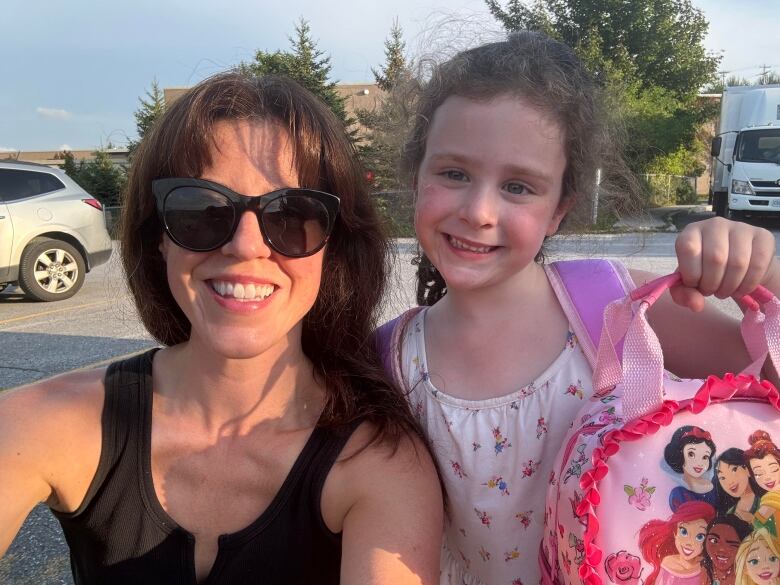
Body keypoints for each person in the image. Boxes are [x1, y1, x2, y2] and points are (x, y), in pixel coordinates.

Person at [0, 73, 443, 584]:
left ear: (333, 247)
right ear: (158, 237)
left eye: (292, 213)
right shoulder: (48, 422)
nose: (246, 246)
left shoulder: (378, 463)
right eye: (202, 210)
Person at [381, 30, 780, 585]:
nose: (478, 211)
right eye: (453, 174)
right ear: (415, 177)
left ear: (559, 211)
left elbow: (767, 382)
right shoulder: (389, 360)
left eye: (518, 186)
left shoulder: (612, 310)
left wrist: (762, 270)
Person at [639, 501, 716, 585]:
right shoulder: (668, 563)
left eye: (700, 537)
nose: (689, 542)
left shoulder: (707, 567)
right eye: (683, 531)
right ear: (675, 533)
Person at [664, 425, 719, 511]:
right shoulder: (679, 495)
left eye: (705, 457)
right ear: (679, 455)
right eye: (691, 454)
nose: (699, 463)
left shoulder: (717, 485)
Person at [715, 448, 763, 522]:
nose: (729, 482)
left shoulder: (765, 500)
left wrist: (753, 521)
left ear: (746, 469)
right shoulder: (730, 513)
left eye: (734, 470)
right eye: (722, 477)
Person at [702, 515, 753, 585]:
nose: (721, 549)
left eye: (732, 545)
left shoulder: (746, 576)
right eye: (714, 540)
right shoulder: (701, 568)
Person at [747, 431, 780, 536]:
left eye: (774, 469)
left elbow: (758, 523)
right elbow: (757, 524)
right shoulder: (764, 499)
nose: (767, 477)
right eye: (758, 473)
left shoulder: (771, 499)